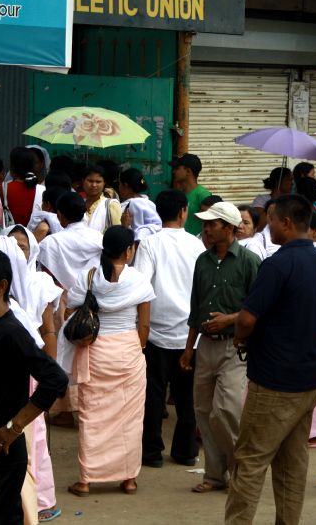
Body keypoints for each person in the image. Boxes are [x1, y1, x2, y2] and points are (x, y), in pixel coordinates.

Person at [224, 194, 316, 524]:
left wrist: (240, 335)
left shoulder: (276, 264)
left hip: (274, 379)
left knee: (250, 460)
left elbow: (247, 318)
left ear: (286, 223)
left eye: (271, 220)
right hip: (307, 376)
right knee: (291, 463)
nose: (267, 226)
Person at [0, 249, 68, 524]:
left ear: (1, 287)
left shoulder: (11, 333)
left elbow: (55, 379)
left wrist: (15, 426)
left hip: (2, 450)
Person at [63, 226, 155, 497]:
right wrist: (136, 348)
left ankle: (86, 480)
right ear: (128, 251)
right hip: (128, 352)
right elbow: (144, 325)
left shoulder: (88, 277)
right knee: (130, 418)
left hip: (95, 352)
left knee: (92, 416)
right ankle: (128, 479)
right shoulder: (139, 281)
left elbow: (69, 312)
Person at [179, 202, 260, 494]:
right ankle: (215, 475)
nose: (206, 229)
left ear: (229, 228)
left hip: (235, 347)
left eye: (212, 224)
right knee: (203, 411)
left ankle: (242, 471)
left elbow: (259, 307)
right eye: (205, 224)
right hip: (205, 346)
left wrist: (229, 319)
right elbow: (195, 307)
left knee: (226, 410)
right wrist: (189, 348)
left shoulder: (249, 261)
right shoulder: (202, 261)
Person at [136, 190, 206, 468]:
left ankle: (151, 452)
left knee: (154, 395)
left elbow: (141, 286)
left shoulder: (149, 244)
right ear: (183, 212)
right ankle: (185, 450)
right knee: (187, 396)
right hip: (190, 333)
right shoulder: (196, 245)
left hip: (156, 330)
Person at [38, 192, 103, 291]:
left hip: (61, 296)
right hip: (95, 292)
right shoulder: (99, 237)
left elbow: (46, 276)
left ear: (59, 214)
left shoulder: (50, 243)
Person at [0, 147, 45, 227]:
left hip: (3, 234)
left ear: (12, 167)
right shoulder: (42, 191)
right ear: (32, 167)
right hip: (36, 235)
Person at [170, 153, 210, 236]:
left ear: (188, 171)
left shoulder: (203, 195)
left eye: (177, 168)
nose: (174, 172)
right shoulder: (178, 195)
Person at [119, 168, 161, 242]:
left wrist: (125, 226)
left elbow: (136, 232)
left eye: (119, 184)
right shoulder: (148, 202)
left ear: (125, 185)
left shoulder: (133, 204)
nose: (118, 187)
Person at [83, 165, 122, 234]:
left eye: (98, 182)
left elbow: (118, 234)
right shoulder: (80, 203)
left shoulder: (111, 205)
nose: (94, 185)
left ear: (104, 183)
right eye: (90, 181)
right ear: (83, 181)